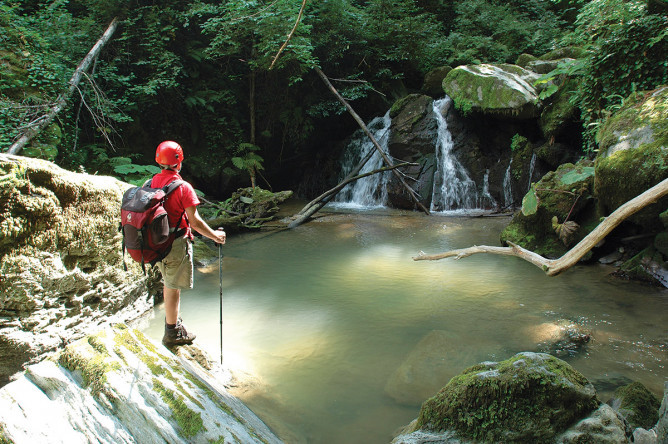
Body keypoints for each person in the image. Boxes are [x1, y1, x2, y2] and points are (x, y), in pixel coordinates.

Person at [151, 140, 226, 346]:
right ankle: (172, 332)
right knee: (173, 287)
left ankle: (172, 321)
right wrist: (215, 236)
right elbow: (195, 222)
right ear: (179, 162)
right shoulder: (183, 187)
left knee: (168, 283)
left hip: (155, 244)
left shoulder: (149, 184)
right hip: (175, 244)